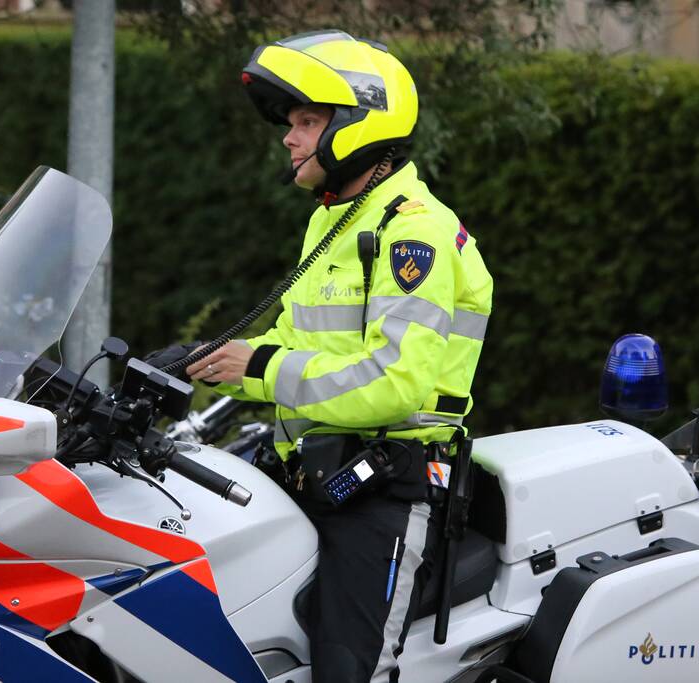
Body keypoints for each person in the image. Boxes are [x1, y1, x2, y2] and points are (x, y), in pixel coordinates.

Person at [186, 30, 493, 683]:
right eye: (290, 123)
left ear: (356, 124)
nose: (288, 138)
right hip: (312, 471)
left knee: (344, 667)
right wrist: (206, 360)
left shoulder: (413, 231)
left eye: (305, 121)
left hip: (388, 485)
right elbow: (307, 357)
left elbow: (393, 383)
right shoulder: (336, 218)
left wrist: (259, 368)